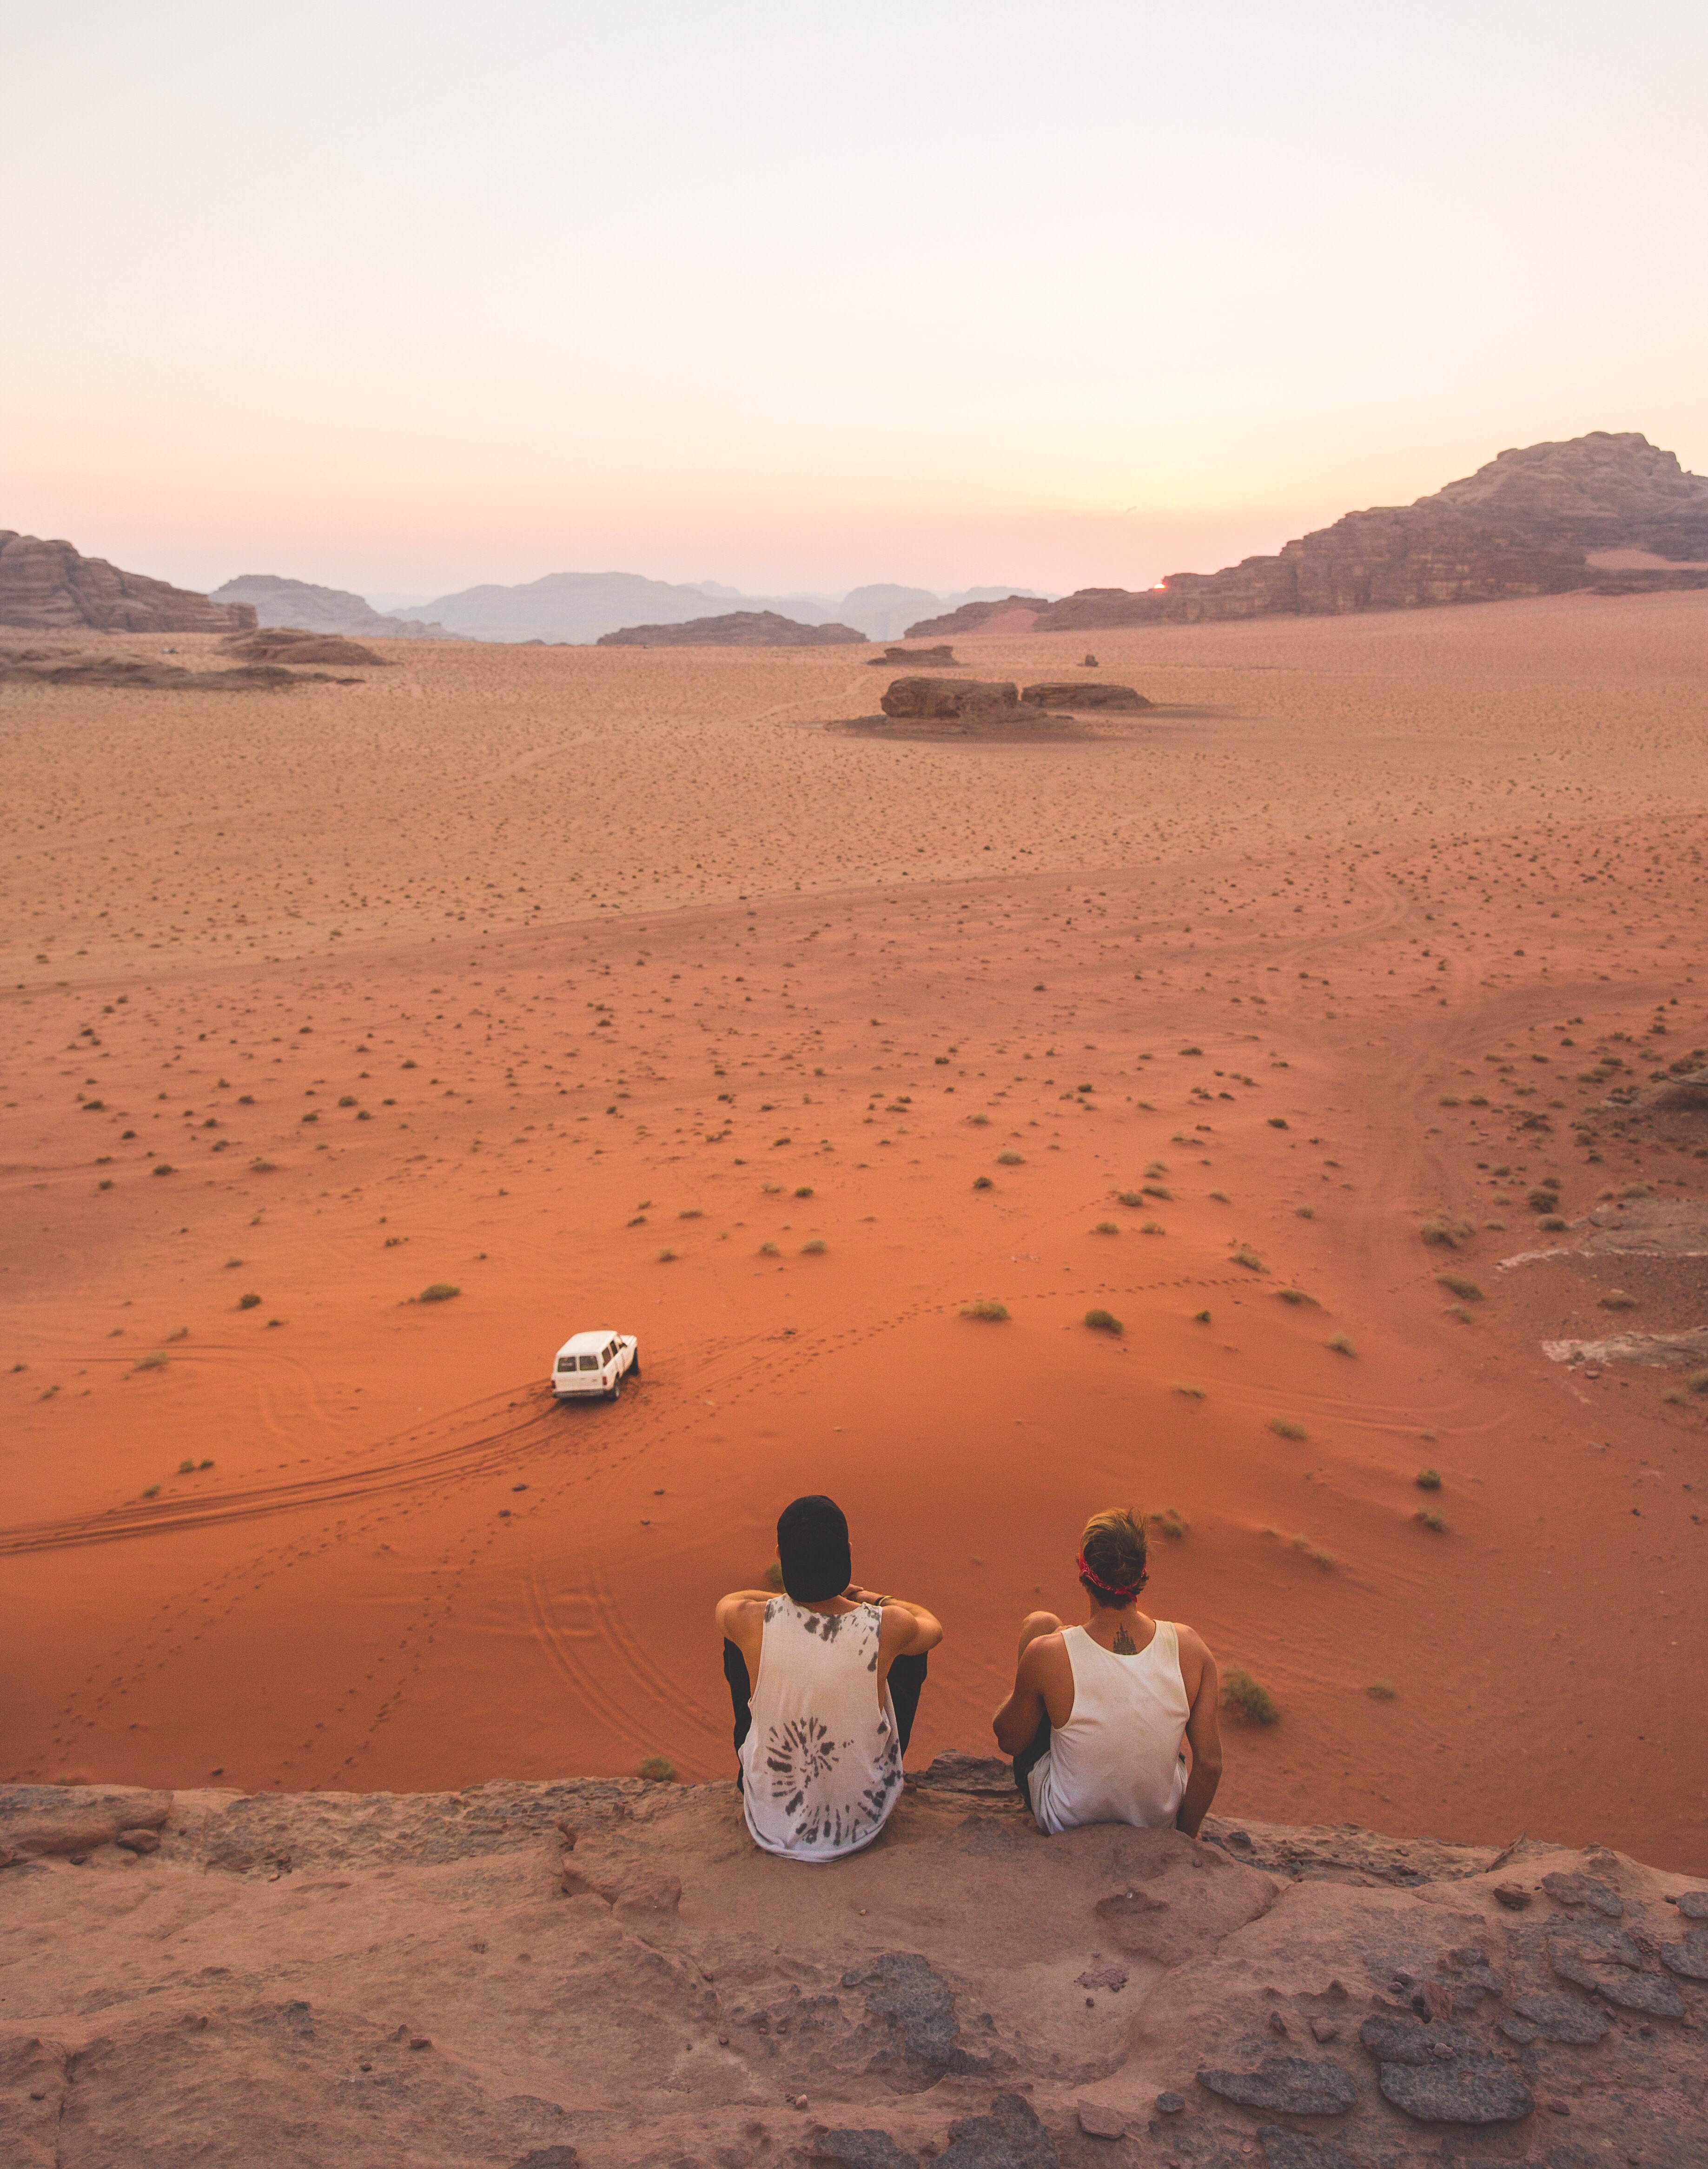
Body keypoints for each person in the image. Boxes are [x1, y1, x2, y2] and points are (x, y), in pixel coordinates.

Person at [715, 1494, 943, 1861]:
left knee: (737, 1647)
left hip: (770, 1822)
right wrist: (871, 1599)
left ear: (780, 1554)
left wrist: (783, 1601)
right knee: (907, 1652)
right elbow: (932, 1627)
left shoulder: (749, 1621)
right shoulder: (887, 1626)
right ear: (848, 1551)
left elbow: (731, 1599)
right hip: (862, 1822)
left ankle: (752, 1775)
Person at [992, 1506, 1221, 1837]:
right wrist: (1181, 1839)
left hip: (1064, 1821)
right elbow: (1210, 1765)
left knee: (1040, 1625)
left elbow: (1010, 1740)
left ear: (1082, 1572)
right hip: (1156, 1823)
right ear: (1142, 1574)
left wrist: (1031, 1682)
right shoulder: (1190, 1646)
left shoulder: (1048, 1654)